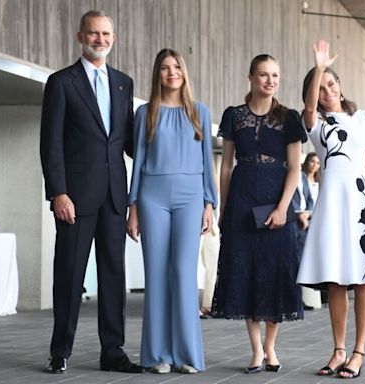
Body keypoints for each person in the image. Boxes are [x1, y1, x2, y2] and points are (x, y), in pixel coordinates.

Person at [39, 10, 141, 374]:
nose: (101, 39)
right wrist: (58, 193)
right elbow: (50, 144)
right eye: (94, 33)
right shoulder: (61, 82)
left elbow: (127, 141)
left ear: (113, 38)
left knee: (114, 275)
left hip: (115, 195)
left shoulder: (123, 83)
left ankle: (112, 351)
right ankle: (60, 350)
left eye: (106, 34)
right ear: (81, 37)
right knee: (69, 273)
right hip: (76, 198)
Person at [296, 40, 365, 379]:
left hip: (362, 202)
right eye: (321, 85)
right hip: (332, 206)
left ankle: (358, 352)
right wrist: (319, 66)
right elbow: (310, 108)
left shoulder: (362, 119)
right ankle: (338, 350)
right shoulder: (314, 122)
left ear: (340, 84)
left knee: (364, 280)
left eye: (331, 82)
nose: (327, 89)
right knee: (337, 281)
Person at [212, 54, 306, 374]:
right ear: (251, 77)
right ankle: (255, 350)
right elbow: (226, 166)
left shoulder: (289, 118)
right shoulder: (234, 116)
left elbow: (295, 168)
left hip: (277, 201)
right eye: (264, 75)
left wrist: (282, 208)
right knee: (245, 273)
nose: (270, 80)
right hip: (241, 201)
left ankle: (271, 348)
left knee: (274, 274)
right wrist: (224, 207)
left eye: (275, 76)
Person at [127, 48, 217, 374]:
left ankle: (187, 354)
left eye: (176, 66)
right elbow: (137, 161)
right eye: (164, 68)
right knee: (156, 274)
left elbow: (207, 159)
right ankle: (157, 355)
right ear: (158, 74)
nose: (171, 72)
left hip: (191, 197)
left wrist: (209, 203)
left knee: (183, 272)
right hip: (152, 196)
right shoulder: (145, 113)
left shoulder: (200, 112)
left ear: (183, 71)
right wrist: (132, 205)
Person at [292, 152, 322, 309]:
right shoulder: (287, 174)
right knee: (292, 262)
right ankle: (294, 301)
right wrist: (299, 215)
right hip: (293, 222)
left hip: (304, 224)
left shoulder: (303, 177)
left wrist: (307, 214)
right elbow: (289, 197)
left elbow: (310, 199)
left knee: (301, 263)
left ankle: (299, 301)